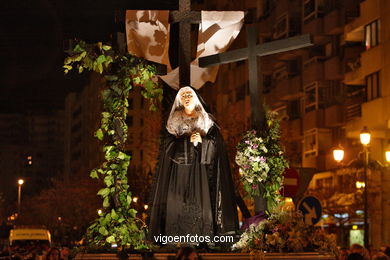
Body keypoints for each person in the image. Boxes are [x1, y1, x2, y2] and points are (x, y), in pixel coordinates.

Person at [148, 86, 238, 240]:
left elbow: (217, 145)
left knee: (201, 198)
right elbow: (168, 145)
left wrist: (202, 141)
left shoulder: (206, 119)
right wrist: (186, 140)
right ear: (180, 100)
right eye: (183, 95)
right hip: (179, 168)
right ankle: (175, 236)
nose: (187, 97)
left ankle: (203, 235)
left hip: (200, 168)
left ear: (195, 97)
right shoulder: (174, 120)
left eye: (190, 94)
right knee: (177, 199)